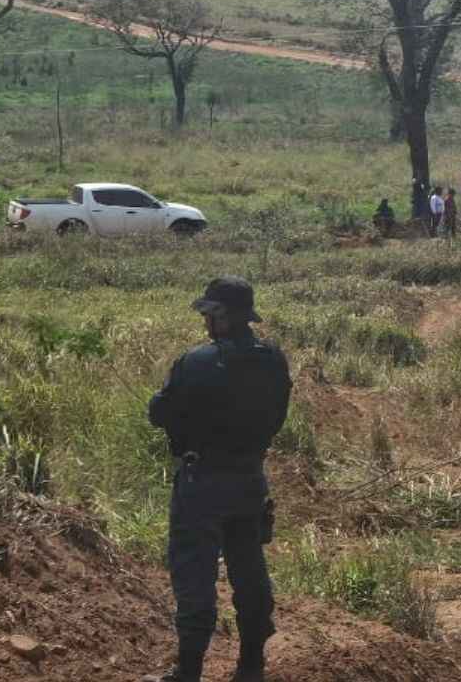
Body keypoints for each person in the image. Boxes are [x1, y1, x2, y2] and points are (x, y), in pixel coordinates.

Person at [145, 277, 292, 682]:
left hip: (202, 483)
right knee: (249, 571)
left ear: (222, 317)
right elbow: (278, 416)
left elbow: (159, 413)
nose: (206, 323)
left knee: (195, 576)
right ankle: (250, 667)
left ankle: (189, 672)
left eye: (209, 315)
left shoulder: (196, 362)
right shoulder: (274, 359)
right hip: (250, 480)